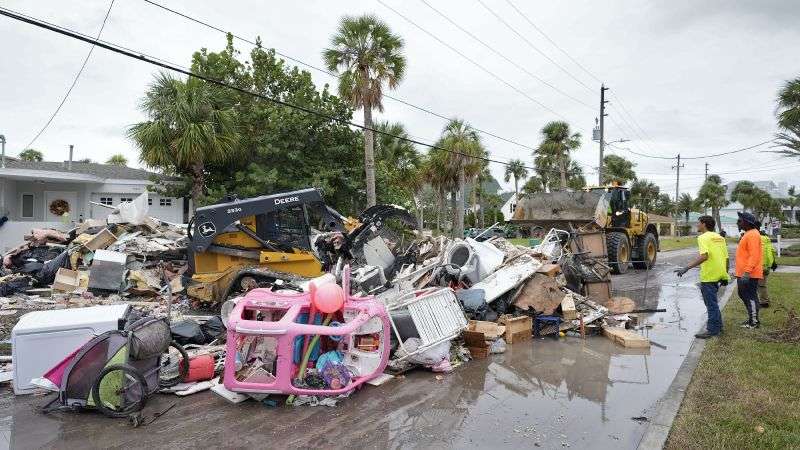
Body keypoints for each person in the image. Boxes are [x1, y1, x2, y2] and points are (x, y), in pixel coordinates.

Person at [675, 216, 730, 338]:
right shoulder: (720, 238)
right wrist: (725, 274)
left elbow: (704, 256)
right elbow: (726, 257)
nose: (697, 225)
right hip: (719, 274)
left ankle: (712, 330)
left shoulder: (702, 238)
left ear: (704, 224)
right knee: (713, 303)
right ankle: (718, 326)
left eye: (698, 223)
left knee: (711, 304)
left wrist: (686, 268)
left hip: (709, 275)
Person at [735, 212, 763, 328]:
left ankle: (754, 322)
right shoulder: (749, 233)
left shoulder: (752, 235)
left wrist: (747, 272)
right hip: (744, 273)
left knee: (750, 296)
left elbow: (754, 255)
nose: (738, 222)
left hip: (749, 274)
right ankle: (752, 318)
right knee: (743, 294)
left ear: (747, 222)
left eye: (740, 220)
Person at [758, 228, 778, 308]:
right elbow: (773, 251)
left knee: (760, 285)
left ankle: (764, 302)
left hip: (760, 266)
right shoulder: (768, 240)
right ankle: (764, 301)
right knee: (762, 284)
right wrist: (773, 262)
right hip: (767, 266)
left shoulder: (757, 239)